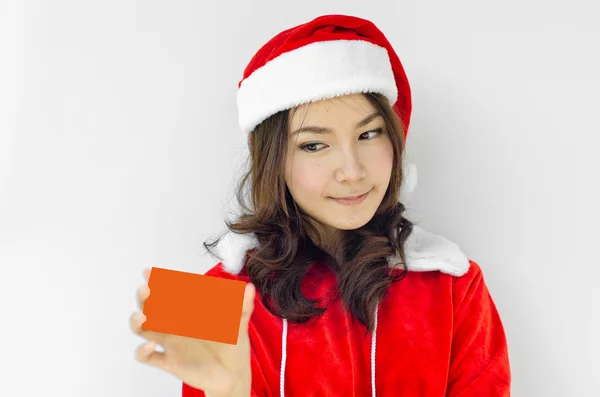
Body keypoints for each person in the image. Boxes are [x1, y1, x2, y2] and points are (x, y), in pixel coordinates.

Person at [129, 14, 511, 397]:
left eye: (369, 133)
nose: (351, 170)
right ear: (274, 160)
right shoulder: (207, 295)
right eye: (314, 144)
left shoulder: (454, 283)